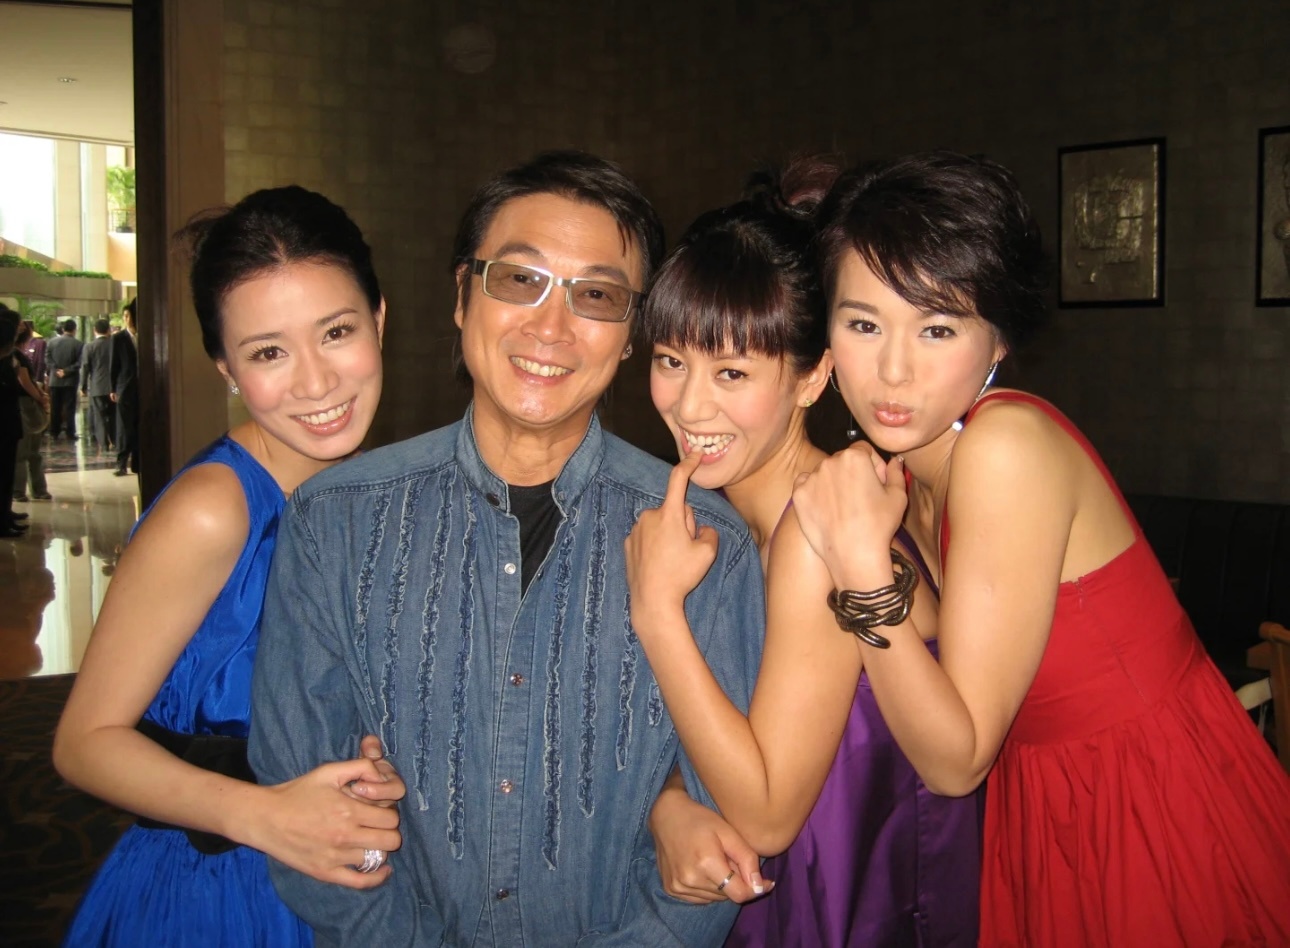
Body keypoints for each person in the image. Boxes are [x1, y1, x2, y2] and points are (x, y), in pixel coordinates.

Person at [248, 151, 765, 946]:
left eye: (596, 295)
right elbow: (306, 806)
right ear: (462, 295)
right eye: (520, 280)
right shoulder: (335, 524)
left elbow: (717, 837)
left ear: (631, 334)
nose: (550, 328)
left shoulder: (709, 543)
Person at [789, 151, 1290, 947]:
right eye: (864, 323)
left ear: (997, 342)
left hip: (1148, 802)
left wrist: (857, 565)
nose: (893, 368)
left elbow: (956, 761)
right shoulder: (908, 479)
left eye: (938, 328)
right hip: (1047, 799)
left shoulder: (1005, 448)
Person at [628, 163, 981, 947]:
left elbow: (767, 817)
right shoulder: (733, 521)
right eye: (671, 360)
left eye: (732, 372)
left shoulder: (817, 530)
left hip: (855, 909)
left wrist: (656, 613)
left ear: (813, 376)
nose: (689, 404)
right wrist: (669, 801)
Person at [53, 186, 405, 946]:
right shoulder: (216, 508)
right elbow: (84, 742)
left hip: (342, 880)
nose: (315, 383)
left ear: (379, 320)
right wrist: (264, 814)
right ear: (226, 368)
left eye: (337, 331)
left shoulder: (370, 489)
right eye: (269, 352)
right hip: (222, 888)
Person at [11, 318, 51, 502]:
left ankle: (35, 489)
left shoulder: (17, 354)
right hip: (25, 404)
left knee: (30, 450)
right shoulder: (16, 355)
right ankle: (22, 490)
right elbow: (24, 380)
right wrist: (39, 397)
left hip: (25, 404)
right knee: (25, 451)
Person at [1, 305, 31, 536]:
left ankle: (6, 514)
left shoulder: (8, 359)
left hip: (9, 425)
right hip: (4, 425)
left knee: (7, 474)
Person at [109, 300, 139, 476]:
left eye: (130, 315)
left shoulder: (146, 334)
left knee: (139, 426)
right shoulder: (118, 338)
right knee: (124, 427)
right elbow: (114, 364)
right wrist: (113, 388)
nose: (128, 319)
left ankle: (138, 463)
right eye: (125, 316)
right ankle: (121, 463)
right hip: (125, 388)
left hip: (142, 387)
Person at [81, 317, 115, 455]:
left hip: (97, 386)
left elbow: (85, 367)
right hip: (114, 386)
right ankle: (115, 441)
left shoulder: (89, 346)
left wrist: (83, 386)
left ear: (94, 330)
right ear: (108, 330)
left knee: (99, 416)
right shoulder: (114, 344)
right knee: (113, 415)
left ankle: (104, 444)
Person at [46, 317, 84, 440]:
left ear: (63, 329)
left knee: (55, 407)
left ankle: (54, 431)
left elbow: (47, 359)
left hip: (54, 380)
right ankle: (70, 432)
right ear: (74, 330)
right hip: (70, 381)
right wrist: (66, 371)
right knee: (70, 407)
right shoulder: (79, 344)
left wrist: (56, 370)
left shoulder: (51, 342)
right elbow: (80, 362)